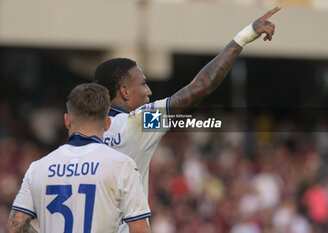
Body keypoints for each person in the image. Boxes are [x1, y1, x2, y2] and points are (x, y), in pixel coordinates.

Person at [94, 7, 281, 233]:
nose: (149, 91)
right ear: (124, 91)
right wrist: (244, 36)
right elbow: (202, 86)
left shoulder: (81, 133)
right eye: (143, 84)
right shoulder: (138, 124)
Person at [7, 83, 152, 233]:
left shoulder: (37, 168)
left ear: (67, 120)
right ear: (108, 123)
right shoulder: (122, 165)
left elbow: (15, 227)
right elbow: (140, 228)